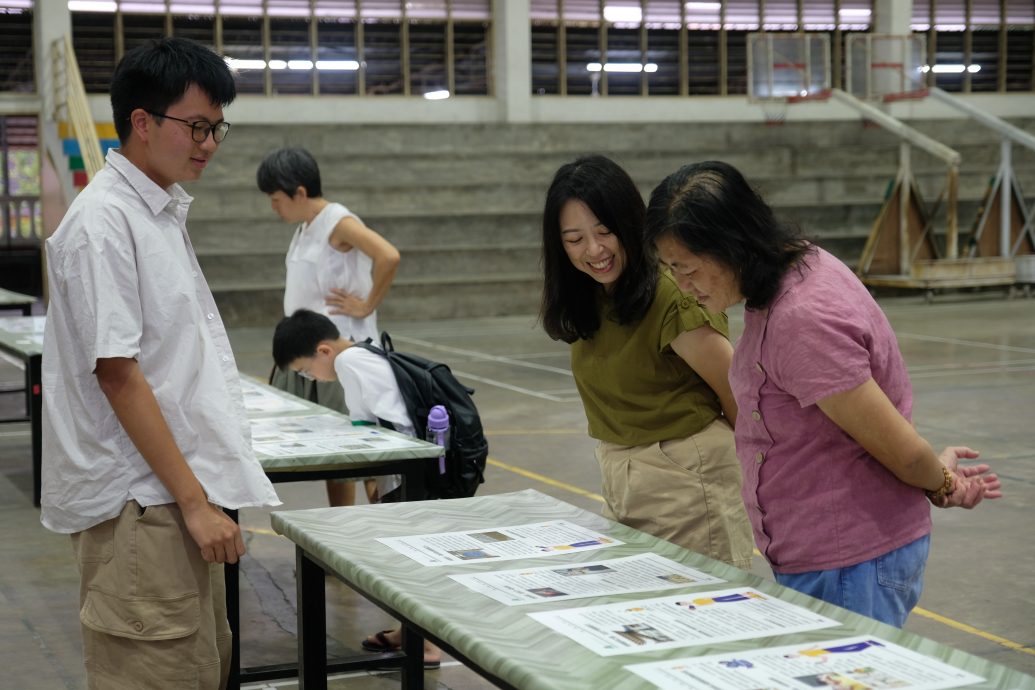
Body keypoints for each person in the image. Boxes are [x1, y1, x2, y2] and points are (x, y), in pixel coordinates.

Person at [645, 160, 1002, 627]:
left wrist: (944, 484)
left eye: (685, 268)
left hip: (851, 563)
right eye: (669, 268)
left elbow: (898, 447)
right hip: (827, 557)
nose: (680, 284)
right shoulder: (790, 268)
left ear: (731, 247)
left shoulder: (801, 319)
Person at [40, 37, 281, 688]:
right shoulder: (104, 224)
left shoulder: (157, 212)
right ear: (142, 122)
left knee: (200, 669)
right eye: (197, 126)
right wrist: (196, 503)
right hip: (140, 508)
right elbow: (118, 374)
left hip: (168, 500)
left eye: (217, 128)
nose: (209, 142)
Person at [539, 154, 754, 569]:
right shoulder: (593, 296)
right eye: (575, 239)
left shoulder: (670, 294)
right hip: (623, 475)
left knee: (701, 615)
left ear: (629, 224)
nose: (594, 250)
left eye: (604, 231)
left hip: (688, 480)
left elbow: (737, 394)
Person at [271, 308, 442, 669]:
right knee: (398, 555)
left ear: (323, 351)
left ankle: (424, 644)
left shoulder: (351, 362)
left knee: (405, 559)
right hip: (396, 473)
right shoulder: (358, 356)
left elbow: (392, 427)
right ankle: (409, 631)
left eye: (305, 370)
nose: (310, 378)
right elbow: (366, 422)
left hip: (405, 472)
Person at [257, 147, 401, 507]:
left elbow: (388, 255)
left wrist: (367, 304)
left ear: (299, 192)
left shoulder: (338, 222)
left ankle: (376, 527)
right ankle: (340, 527)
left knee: (357, 455)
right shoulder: (306, 227)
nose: (274, 207)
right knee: (333, 455)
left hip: (337, 355)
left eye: (276, 199)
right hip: (310, 354)